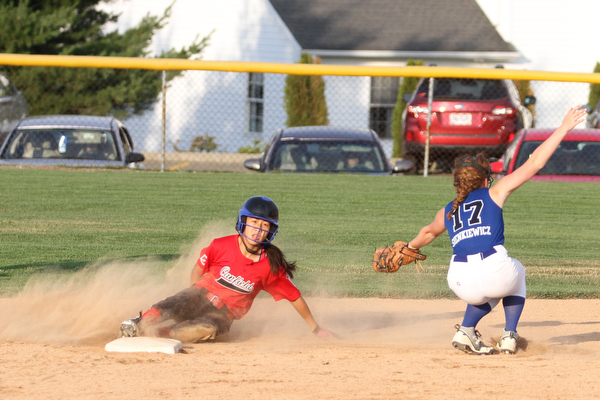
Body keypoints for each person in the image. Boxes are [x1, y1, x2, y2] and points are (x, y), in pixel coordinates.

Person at [404, 106, 587, 355]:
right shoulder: (495, 192)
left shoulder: (448, 210)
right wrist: (564, 127)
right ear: (484, 179)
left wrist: (409, 247)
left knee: (488, 288)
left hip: (458, 280)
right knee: (515, 273)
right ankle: (509, 335)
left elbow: (427, 233)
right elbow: (536, 162)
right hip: (494, 270)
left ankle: (466, 329)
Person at [119, 196, 334, 342]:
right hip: (198, 295)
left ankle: (159, 334)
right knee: (174, 303)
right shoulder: (221, 245)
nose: (258, 230)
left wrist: (315, 328)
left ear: (271, 231)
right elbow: (197, 270)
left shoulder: (270, 265)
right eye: (254, 222)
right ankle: (137, 324)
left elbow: (295, 297)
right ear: (243, 222)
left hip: (222, 315)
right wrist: (192, 295)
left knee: (206, 329)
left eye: (264, 225)